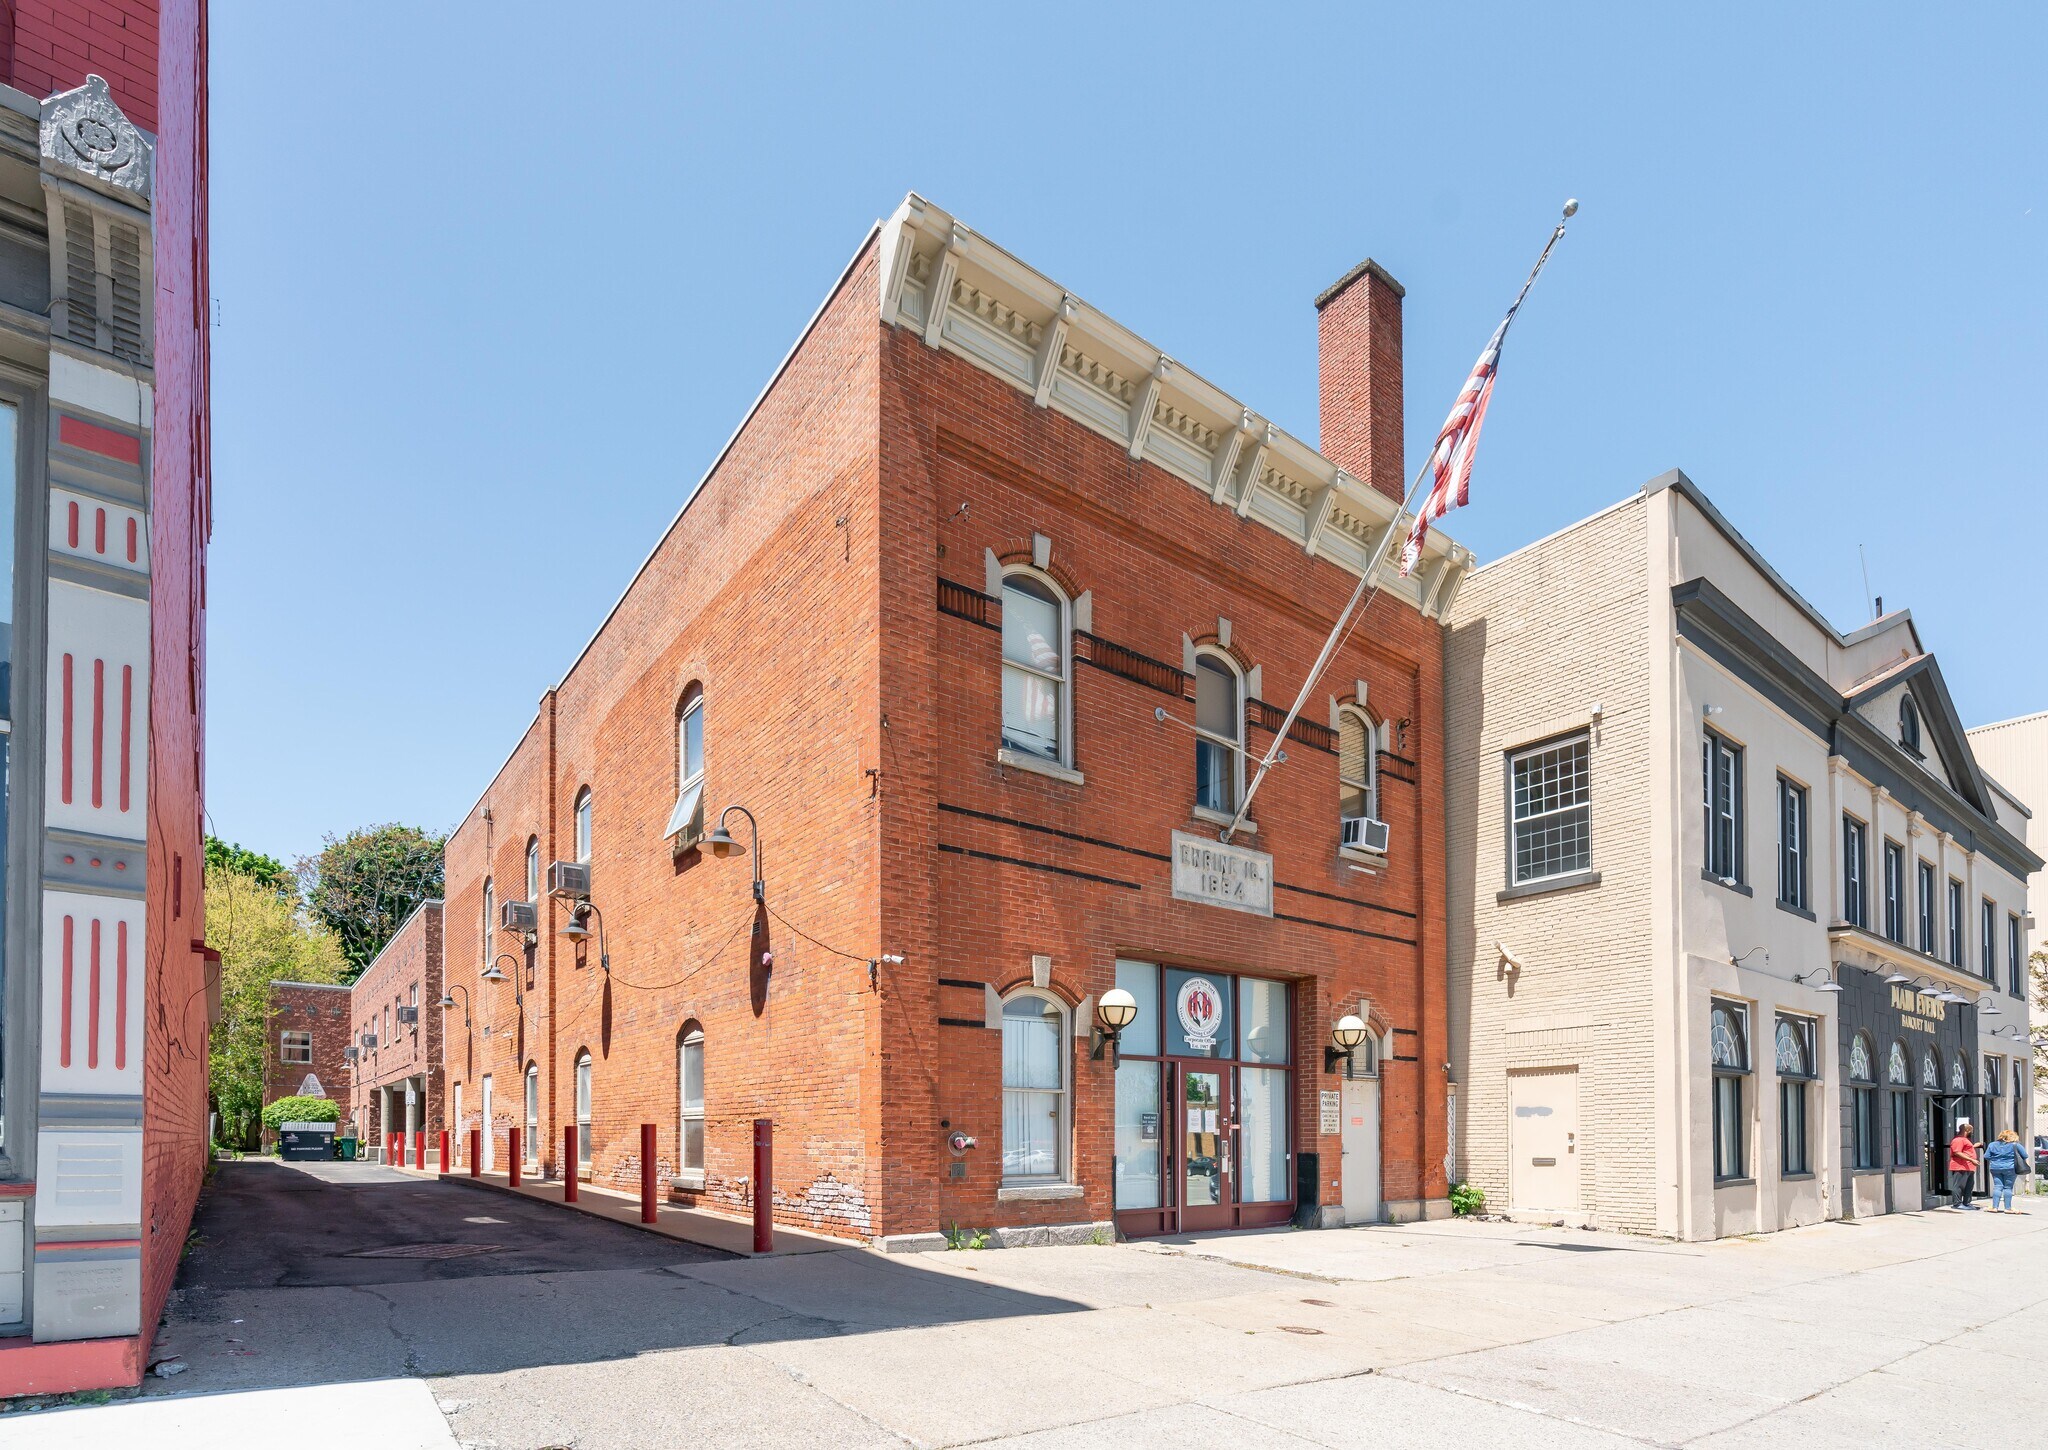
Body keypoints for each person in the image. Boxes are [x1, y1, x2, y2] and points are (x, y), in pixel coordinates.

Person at [1984, 1129, 2026, 1212]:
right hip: (2010, 1168)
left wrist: (1996, 1159)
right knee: (2008, 1188)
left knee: (1997, 1186)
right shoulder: (2015, 1145)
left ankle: (1994, 1207)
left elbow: (1986, 1156)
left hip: (1995, 1167)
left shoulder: (1992, 1144)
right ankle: (2008, 1208)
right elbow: (2025, 1155)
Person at [1947, 1119, 1981, 1210]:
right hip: (1960, 1166)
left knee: (1969, 1186)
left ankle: (1967, 1203)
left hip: (1969, 1167)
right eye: (1971, 1131)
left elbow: (1966, 1150)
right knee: (1959, 1186)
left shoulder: (1965, 1140)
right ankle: (1957, 1203)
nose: (1972, 1133)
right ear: (1967, 1130)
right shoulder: (1958, 1140)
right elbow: (1957, 1152)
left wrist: (1973, 1146)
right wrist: (1971, 1159)